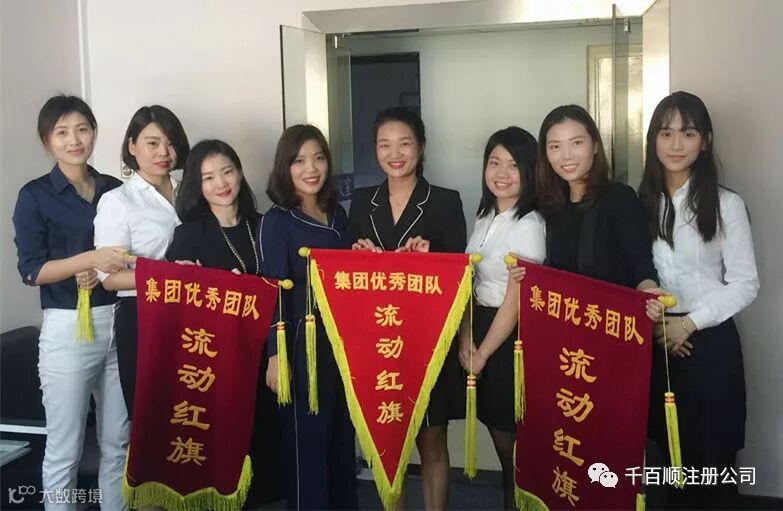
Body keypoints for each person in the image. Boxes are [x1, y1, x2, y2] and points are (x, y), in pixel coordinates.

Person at [639, 91, 759, 510]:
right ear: (653, 141)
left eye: (688, 133)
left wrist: (687, 324)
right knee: (666, 463)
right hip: (656, 341)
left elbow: (745, 283)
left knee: (713, 464)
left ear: (704, 141)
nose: (676, 144)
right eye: (665, 133)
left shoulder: (726, 204)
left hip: (709, 342)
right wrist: (661, 323)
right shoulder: (639, 204)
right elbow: (632, 272)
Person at [12, 95, 130, 510]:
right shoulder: (35, 195)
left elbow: (127, 251)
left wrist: (102, 268)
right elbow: (31, 270)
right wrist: (86, 261)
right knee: (65, 449)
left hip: (120, 320)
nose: (74, 140)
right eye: (61, 132)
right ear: (47, 141)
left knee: (118, 443)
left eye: (82, 129)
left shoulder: (115, 189)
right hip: (68, 330)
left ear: (94, 132)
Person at [348, 106, 466, 510]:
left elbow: (460, 274)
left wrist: (433, 256)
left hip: (426, 343)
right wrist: (359, 254)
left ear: (422, 147)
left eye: (404, 144)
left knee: (432, 442)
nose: (394, 154)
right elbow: (347, 279)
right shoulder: (362, 202)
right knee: (387, 443)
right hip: (379, 343)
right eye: (385, 145)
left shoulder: (445, 202)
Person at [165, 139, 283, 507]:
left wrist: (277, 351)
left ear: (240, 172)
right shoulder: (189, 234)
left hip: (265, 355)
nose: (221, 183)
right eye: (208, 177)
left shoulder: (265, 225)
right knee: (224, 451)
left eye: (227, 171)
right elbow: (176, 306)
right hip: (216, 362)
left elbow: (283, 289)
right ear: (197, 186)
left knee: (266, 448)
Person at [259, 124, 358, 510]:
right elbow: (273, 288)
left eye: (318, 158)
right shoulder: (277, 220)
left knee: (341, 439)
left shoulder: (337, 213)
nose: (311, 168)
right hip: (301, 344)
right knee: (307, 443)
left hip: (341, 342)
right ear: (285, 167)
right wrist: (275, 353)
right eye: (299, 161)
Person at [458, 127, 546, 509]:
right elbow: (467, 281)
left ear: (529, 171)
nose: (502, 173)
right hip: (480, 325)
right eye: (494, 163)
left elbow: (516, 300)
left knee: (513, 437)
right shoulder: (485, 215)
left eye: (513, 165)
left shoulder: (530, 224)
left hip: (512, 337)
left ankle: (521, 502)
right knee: (498, 430)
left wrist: (482, 353)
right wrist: (465, 340)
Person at [93, 105, 190, 417]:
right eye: (152, 143)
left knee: (194, 409)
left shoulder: (191, 193)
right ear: (132, 146)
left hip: (194, 311)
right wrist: (168, 275)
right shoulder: (118, 201)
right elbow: (110, 278)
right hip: (144, 313)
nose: (164, 152)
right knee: (154, 414)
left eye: (171, 143)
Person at [533, 104, 665, 317]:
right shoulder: (550, 205)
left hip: (610, 324)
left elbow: (641, 267)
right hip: (566, 325)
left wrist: (649, 293)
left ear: (595, 145)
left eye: (577, 143)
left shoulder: (619, 198)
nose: (566, 156)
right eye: (555, 146)